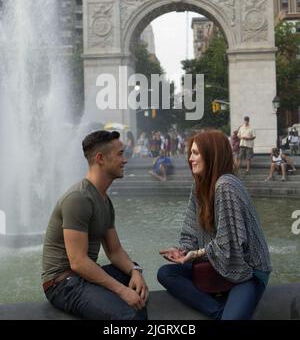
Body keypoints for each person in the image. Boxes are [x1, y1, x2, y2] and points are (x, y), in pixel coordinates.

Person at [157, 129, 271, 320]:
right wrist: (184, 251)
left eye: (195, 153)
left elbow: (230, 247)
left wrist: (198, 254)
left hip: (247, 270)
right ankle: (218, 312)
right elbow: (190, 231)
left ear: (212, 155)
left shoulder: (226, 186)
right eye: (190, 153)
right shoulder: (199, 185)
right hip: (216, 265)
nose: (190, 159)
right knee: (166, 274)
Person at [41, 130, 148, 320]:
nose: (125, 160)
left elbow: (114, 251)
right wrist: (122, 291)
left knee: (134, 279)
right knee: (130, 315)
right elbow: (78, 262)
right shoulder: (79, 198)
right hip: (63, 284)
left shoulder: (104, 200)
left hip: (83, 277)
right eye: (120, 154)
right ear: (100, 158)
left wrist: (135, 271)